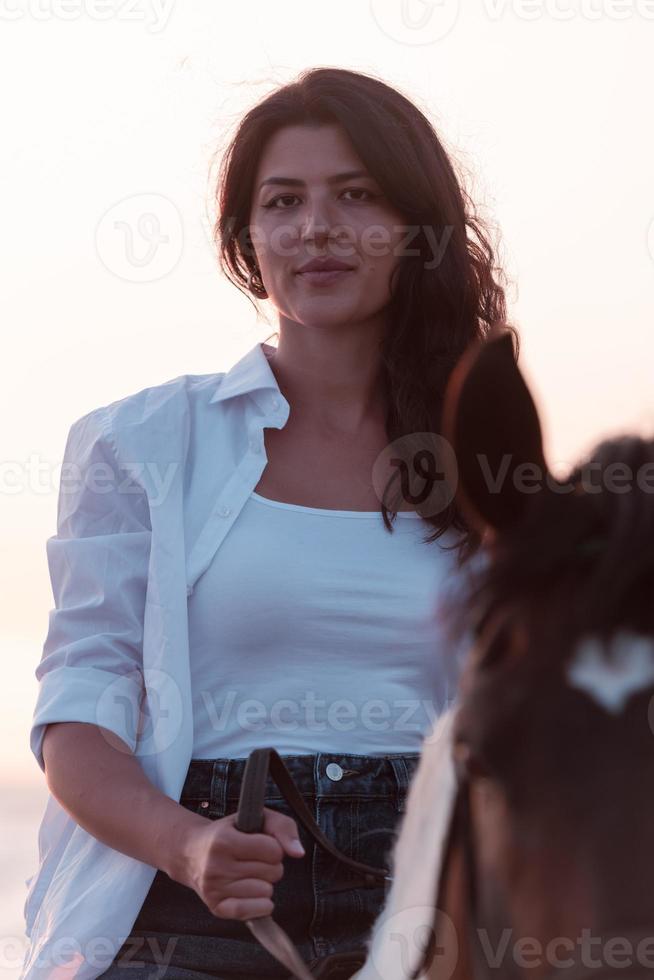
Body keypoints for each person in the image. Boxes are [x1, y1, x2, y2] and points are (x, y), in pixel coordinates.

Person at [21, 67, 507, 980]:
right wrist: (188, 844)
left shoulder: (487, 464)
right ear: (248, 237)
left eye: (356, 195)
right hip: (197, 897)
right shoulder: (142, 442)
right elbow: (78, 713)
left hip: (437, 905)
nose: (315, 227)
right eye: (283, 201)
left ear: (415, 228)